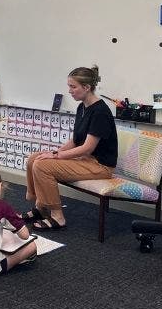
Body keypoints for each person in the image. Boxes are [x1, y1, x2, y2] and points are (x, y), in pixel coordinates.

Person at [24, 65, 117, 230]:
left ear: (87, 87)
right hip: (85, 160)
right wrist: (54, 152)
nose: (69, 91)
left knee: (42, 166)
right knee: (34, 159)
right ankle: (40, 208)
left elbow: (87, 148)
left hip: (100, 166)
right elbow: (75, 141)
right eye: (69, 86)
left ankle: (58, 216)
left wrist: (57, 156)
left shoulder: (100, 112)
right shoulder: (82, 107)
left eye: (73, 87)